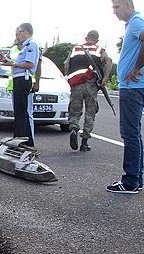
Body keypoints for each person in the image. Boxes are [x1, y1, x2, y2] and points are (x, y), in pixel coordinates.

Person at [107, 0, 144, 194]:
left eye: (116, 7)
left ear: (127, 5)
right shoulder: (134, 23)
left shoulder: (137, 21)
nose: (114, 12)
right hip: (134, 86)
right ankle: (137, 177)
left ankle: (130, 181)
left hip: (133, 87)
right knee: (134, 134)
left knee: (129, 133)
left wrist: (136, 68)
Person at [63, 30, 113, 152]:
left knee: (75, 110)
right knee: (90, 112)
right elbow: (109, 61)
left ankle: (74, 128)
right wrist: (105, 78)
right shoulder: (99, 49)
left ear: (86, 38)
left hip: (76, 84)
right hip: (91, 84)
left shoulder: (75, 49)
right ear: (97, 39)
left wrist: (69, 77)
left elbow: (66, 64)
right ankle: (84, 142)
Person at [1, 23, 41, 148]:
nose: (18, 35)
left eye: (20, 32)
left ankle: (24, 140)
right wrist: (9, 62)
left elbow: (30, 64)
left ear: (27, 32)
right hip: (18, 79)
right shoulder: (23, 47)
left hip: (23, 78)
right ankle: (20, 138)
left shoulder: (31, 45)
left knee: (22, 112)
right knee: (19, 111)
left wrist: (13, 64)